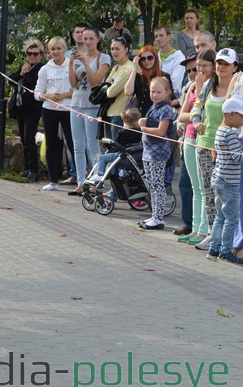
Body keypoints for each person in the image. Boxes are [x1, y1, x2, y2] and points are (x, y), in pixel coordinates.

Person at [190, 48, 239, 250]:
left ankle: (227, 237)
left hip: (227, 151)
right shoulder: (209, 85)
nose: (221, 67)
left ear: (235, 67)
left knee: (226, 197)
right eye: (219, 62)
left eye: (226, 64)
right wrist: (197, 120)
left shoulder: (238, 89)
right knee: (208, 193)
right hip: (204, 145)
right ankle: (212, 235)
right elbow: (197, 106)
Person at [66, 26, 110, 195]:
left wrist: (85, 62)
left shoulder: (103, 58)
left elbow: (96, 81)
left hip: (92, 106)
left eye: (91, 38)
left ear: (97, 39)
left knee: (92, 144)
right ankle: (80, 181)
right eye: (85, 38)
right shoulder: (78, 58)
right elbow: (73, 84)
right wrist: (71, 64)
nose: (88, 42)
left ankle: (97, 180)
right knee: (77, 145)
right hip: (76, 103)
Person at [178, 49, 212, 245]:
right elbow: (183, 115)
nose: (199, 70)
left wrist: (199, 92)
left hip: (203, 138)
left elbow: (203, 110)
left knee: (203, 186)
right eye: (198, 66)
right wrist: (193, 115)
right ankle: (195, 228)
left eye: (204, 66)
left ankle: (203, 230)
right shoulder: (192, 85)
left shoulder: (209, 86)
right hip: (190, 137)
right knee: (195, 186)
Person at [207, 98, 243, 264]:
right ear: (231, 115)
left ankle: (214, 248)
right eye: (242, 116)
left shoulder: (221, 130)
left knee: (220, 217)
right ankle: (226, 251)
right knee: (232, 219)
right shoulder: (230, 133)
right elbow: (237, 158)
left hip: (218, 179)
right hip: (229, 182)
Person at [34, 37, 74, 191]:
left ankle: (80, 177)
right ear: (49, 52)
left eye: (59, 48)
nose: (56, 51)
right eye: (53, 49)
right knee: (52, 144)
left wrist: (64, 95)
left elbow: (77, 90)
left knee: (72, 143)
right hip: (49, 110)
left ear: (65, 49)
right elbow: (37, 93)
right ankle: (53, 180)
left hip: (68, 109)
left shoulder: (71, 65)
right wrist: (48, 96)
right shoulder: (44, 69)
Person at [137, 77, 175, 230]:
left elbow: (161, 131)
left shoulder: (166, 109)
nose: (155, 94)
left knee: (158, 185)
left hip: (158, 153)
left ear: (167, 93)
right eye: (153, 91)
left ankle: (159, 218)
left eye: (159, 91)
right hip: (148, 151)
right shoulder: (154, 106)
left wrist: (143, 128)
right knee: (152, 185)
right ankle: (154, 215)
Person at [10, 38, 45, 181]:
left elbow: (33, 85)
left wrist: (25, 75)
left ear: (41, 55)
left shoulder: (41, 68)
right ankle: (28, 168)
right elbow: (11, 80)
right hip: (21, 108)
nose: (32, 56)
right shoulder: (25, 67)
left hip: (33, 109)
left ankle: (34, 170)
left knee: (29, 138)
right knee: (24, 139)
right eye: (29, 53)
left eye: (35, 54)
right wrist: (21, 73)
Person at [226, 38, 243, 254]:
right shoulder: (238, 77)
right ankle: (238, 240)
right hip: (236, 139)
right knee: (237, 192)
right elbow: (227, 107)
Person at [86, 107, 142, 184]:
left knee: (102, 157)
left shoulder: (122, 132)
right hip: (134, 156)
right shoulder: (141, 132)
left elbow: (116, 144)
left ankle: (100, 174)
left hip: (121, 155)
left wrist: (108, 149)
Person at [103, 36, 134, 139]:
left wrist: (107, 89)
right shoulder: (116, 67)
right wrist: (107, 89)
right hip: (109, 113)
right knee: (109, 148)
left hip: (119, 114)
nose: (114, 52)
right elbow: (105, 85)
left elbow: (110, 92)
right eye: (112, 49)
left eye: (117, 49)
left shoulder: (128, 67)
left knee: (116, 150)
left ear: (126, 50)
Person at [124, 45, 168, 114]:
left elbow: (169, 97)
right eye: (143, 59)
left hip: (154, 115)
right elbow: (128, 92)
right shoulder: (138, 75)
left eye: (150, 58)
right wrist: (134, 68)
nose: (146, 61)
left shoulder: (163, 76)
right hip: (136, 115)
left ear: (155, 58)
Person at [153, 26, 185, 100]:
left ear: (169, 37)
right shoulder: (155, 56)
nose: (158, 39)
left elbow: (176, 83)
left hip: (171, 99)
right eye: (156, 36)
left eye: (161, 35)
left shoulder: (179, 58)